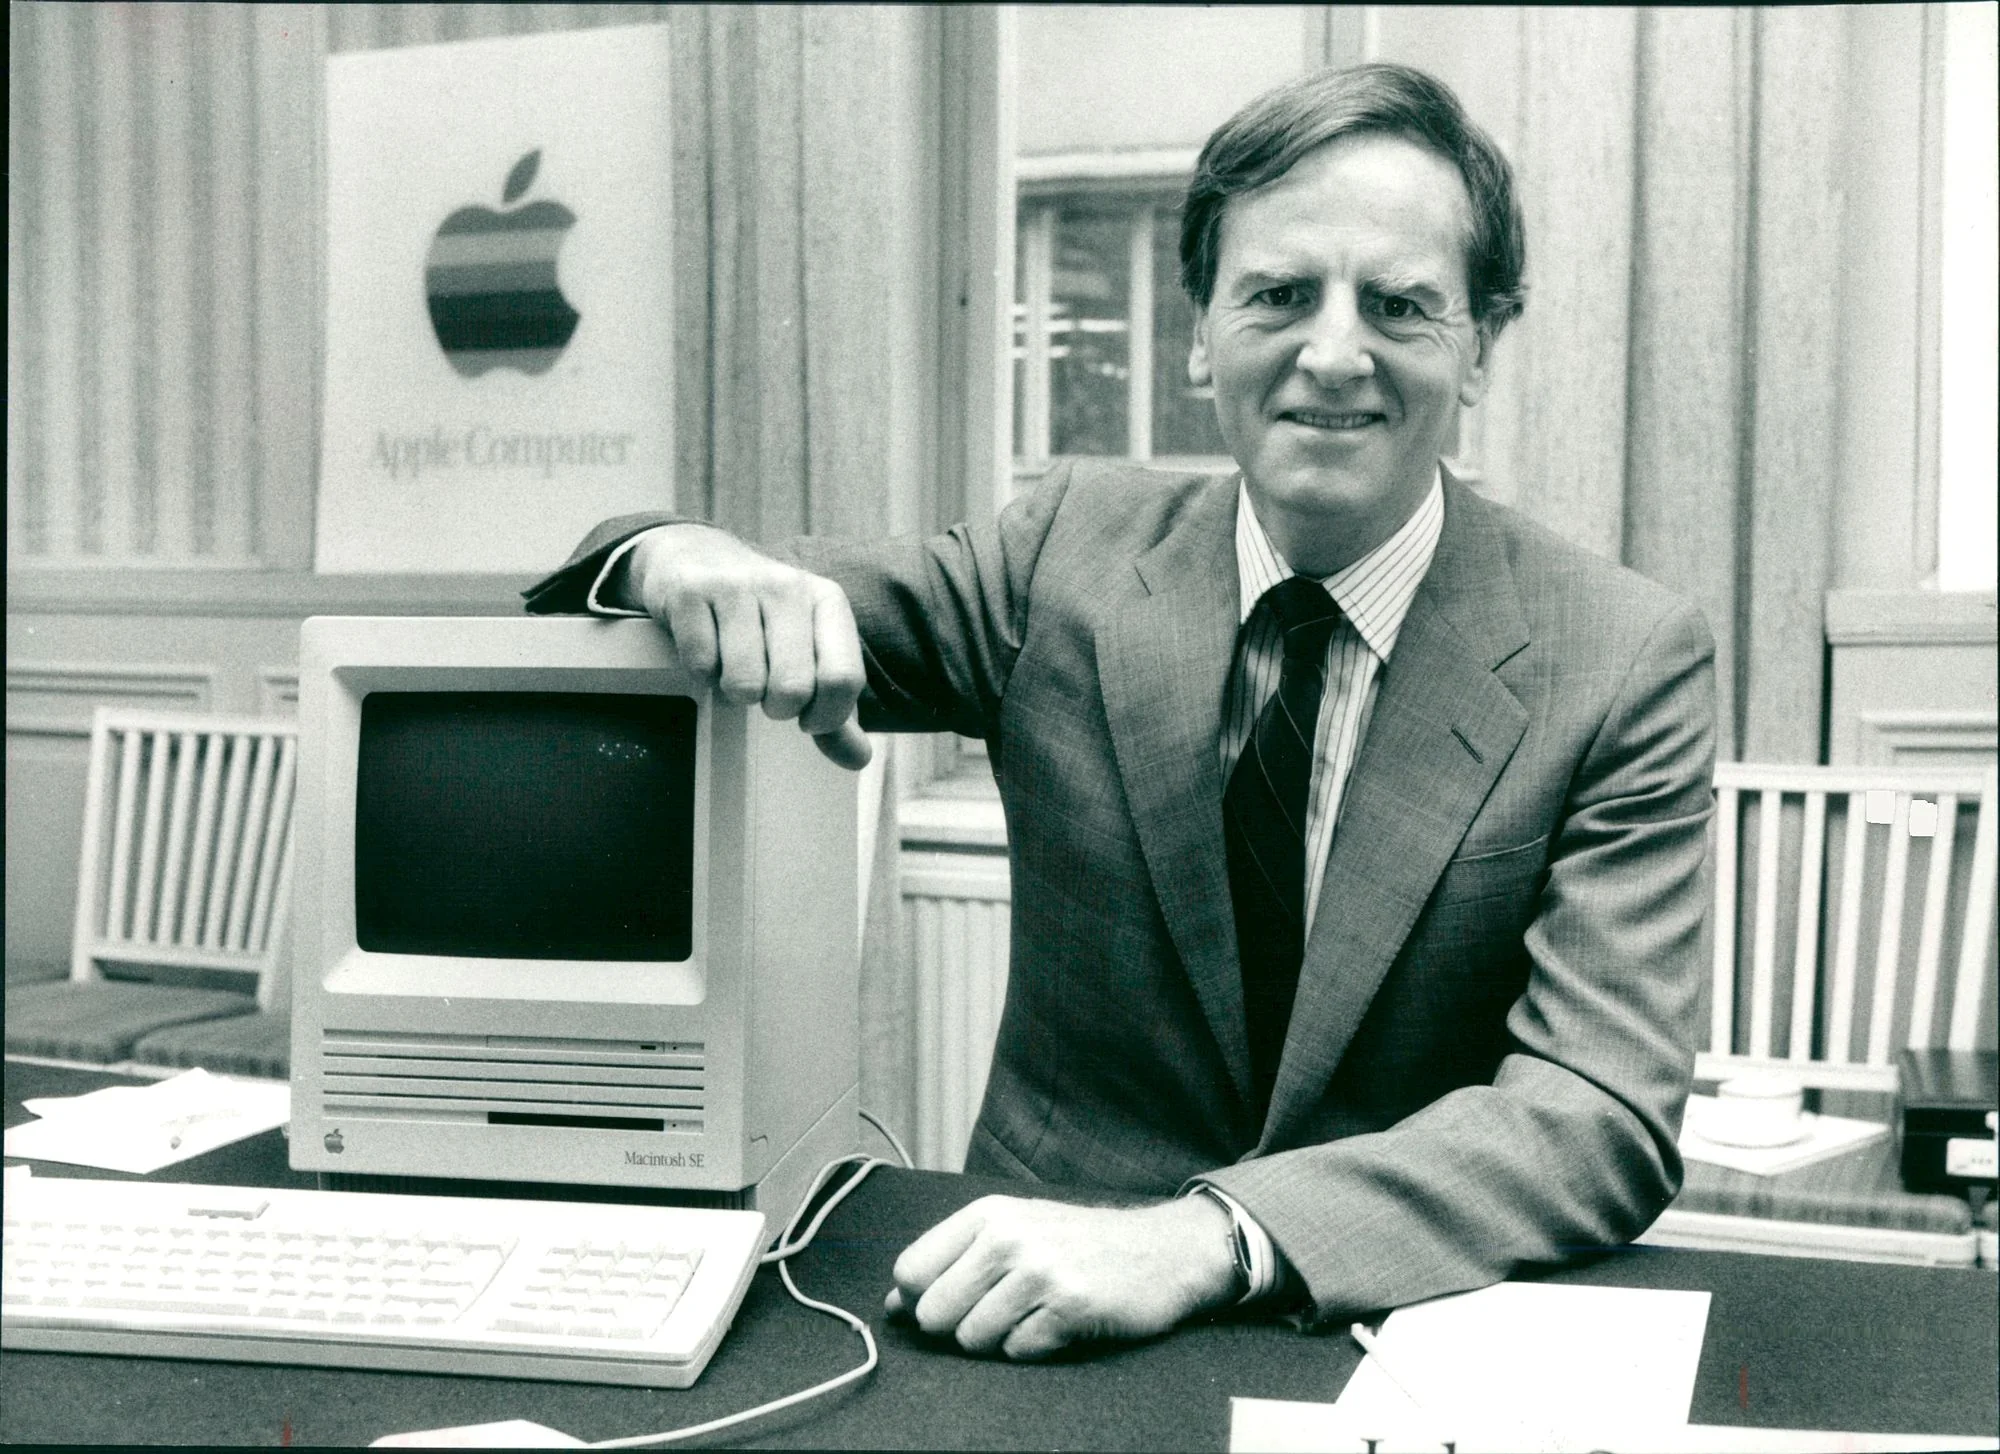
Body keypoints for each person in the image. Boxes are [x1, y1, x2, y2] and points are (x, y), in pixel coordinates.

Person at [525, 62, 1715, 1361]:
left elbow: (1599, 1108)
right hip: (1021, 1325)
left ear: (1480, 344)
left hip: (1393, 1338)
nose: (1333, 350)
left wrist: (1205, 1236)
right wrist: (668, 552)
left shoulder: (1622, 653)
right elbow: (755, 598)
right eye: (1277, 293)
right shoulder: (1061, 553)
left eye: (1399, 304)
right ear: (1198, 328)